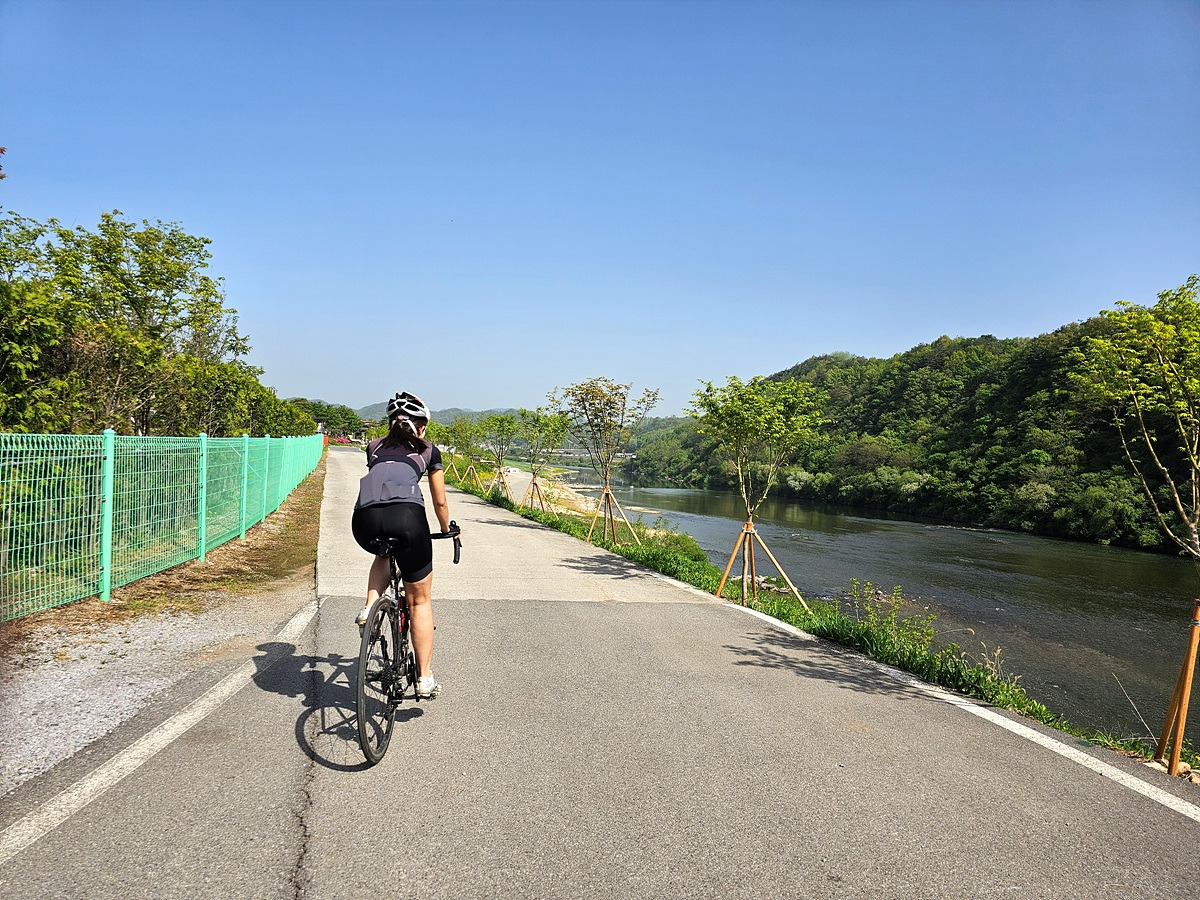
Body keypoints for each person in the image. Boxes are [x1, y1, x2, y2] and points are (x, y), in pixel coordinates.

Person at [351, 391, 453, 698]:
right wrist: (447, 529)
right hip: (407, 519)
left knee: (384, 552)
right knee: (419, 600)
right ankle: (424, 678)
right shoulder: (428, 449)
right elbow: (439, 501)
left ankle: (369, 606)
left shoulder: (373, 446)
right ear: (421, 426)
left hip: (363, 520)